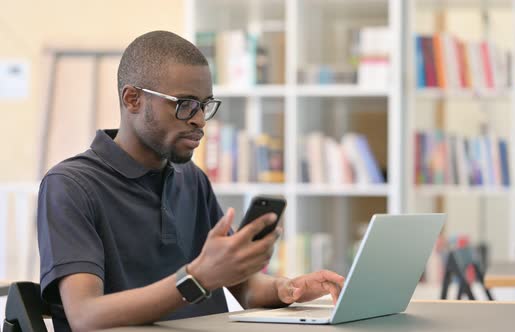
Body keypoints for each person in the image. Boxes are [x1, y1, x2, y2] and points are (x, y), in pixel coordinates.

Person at [37, 30, 345, 332]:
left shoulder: (191, 178)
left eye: (204, 104)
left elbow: (243, 288)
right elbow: (85, 317)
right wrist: (197, 278)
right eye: (184, 104)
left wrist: (286, 288)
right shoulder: (69, 186)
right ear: (132, 99)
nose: (199, 119)